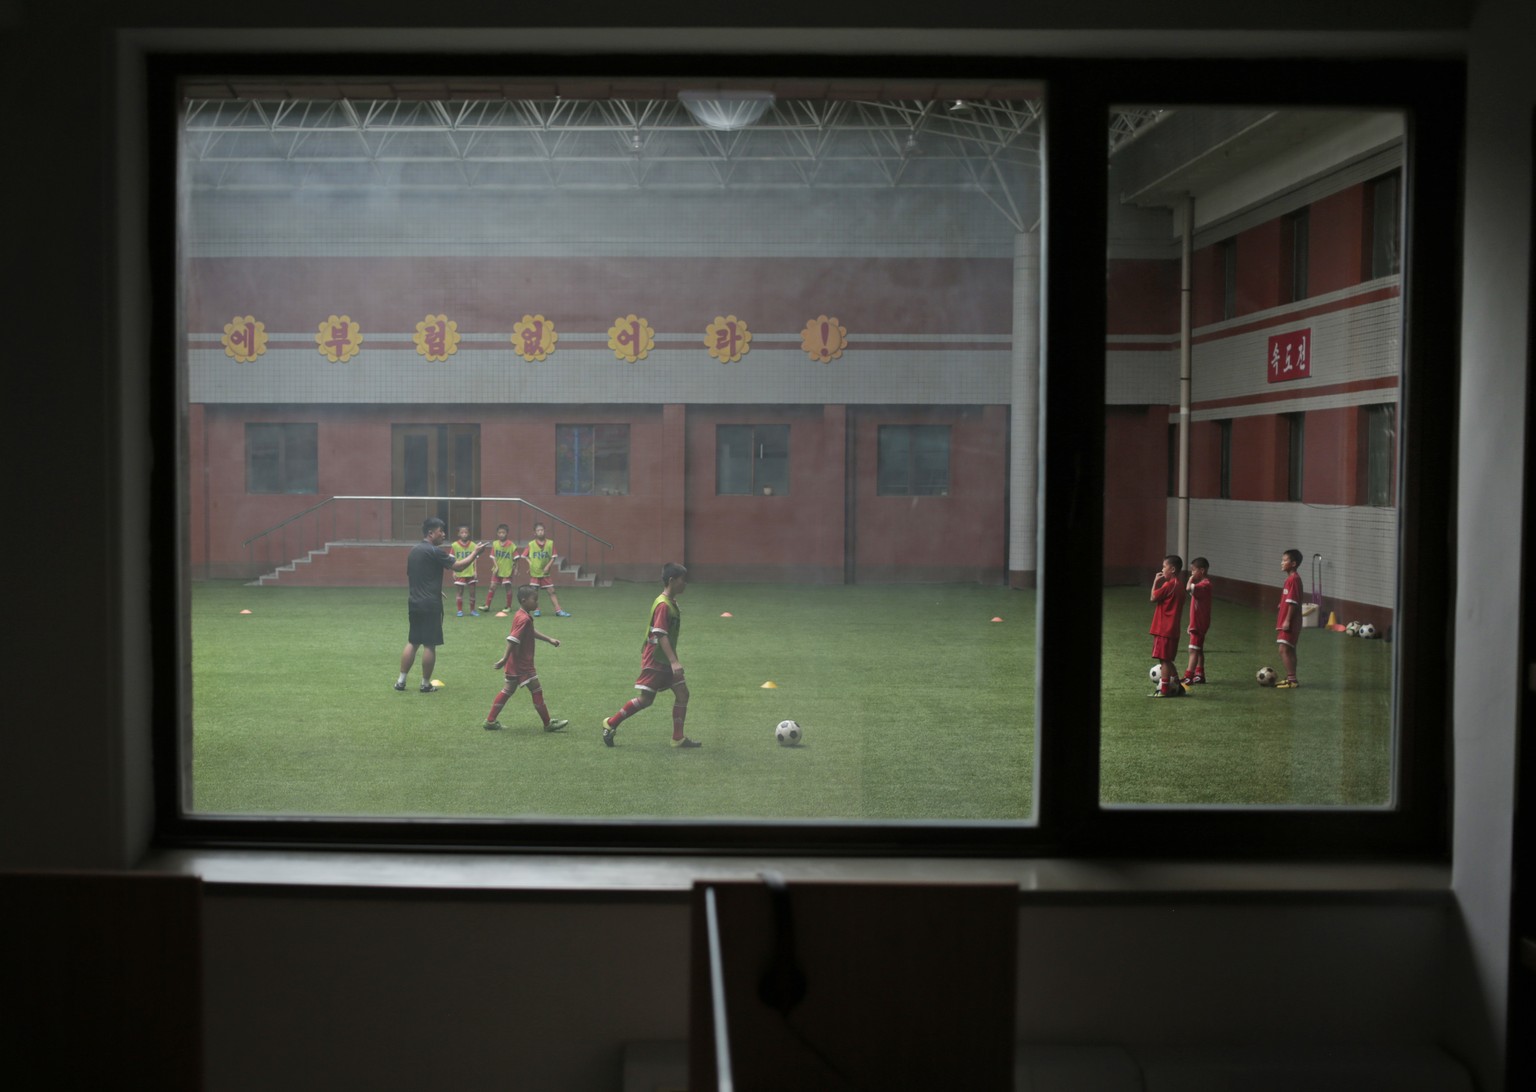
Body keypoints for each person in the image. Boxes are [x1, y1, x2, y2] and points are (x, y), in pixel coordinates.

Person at [601, 562, 699, 748]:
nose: (685, 584)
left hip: (664, 659)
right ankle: (611, 723)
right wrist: (674, 662)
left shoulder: (670, 602)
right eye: (682, 580)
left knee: (682, 693)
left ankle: (678, 738)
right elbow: (660, 633)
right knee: (646, 700)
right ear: (671, 580)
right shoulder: (663, 605)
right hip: (656, 659)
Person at [396, 517, 488, 693]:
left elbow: (416, 576)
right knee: (429, 644)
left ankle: (401, 681)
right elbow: (459, 567)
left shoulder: (414, 551)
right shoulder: (435, 552)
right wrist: (475, 552)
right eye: (441, 531)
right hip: (430, 605)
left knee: (413, 641)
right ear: (431, 533)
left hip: (414, 603)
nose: (444, 534)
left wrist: (434, 589)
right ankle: (425, 684)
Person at [482, 584, 570, 732]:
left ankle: (490, 721)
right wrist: (504, 659)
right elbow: (512, 639)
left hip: (515, 663)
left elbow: (529, 631)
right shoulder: (524, 619)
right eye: (534, 599)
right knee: (536, 690)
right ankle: (548, 724)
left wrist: (549, 639)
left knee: (507, 691)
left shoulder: (521, 615)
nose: (537, 603)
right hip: (522, 665)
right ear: (524, 600)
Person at [1148, 553, 1186, 697]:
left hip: (1164, 629)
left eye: (1165, 566)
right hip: (1173, 629)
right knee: (1167, 659)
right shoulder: (1180, 586)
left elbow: (1153, 597)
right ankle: (1179, 687)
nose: (1162, 570)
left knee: (1164, 660)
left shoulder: (1168, 585)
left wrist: (1155, 582)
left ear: (1173, 569)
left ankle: (1163, 690)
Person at [519, 522, 571, 617]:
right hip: (535, 573)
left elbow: (553, 556)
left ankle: (558, 611)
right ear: (535, 533)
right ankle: (536, 610)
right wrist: (531, 564)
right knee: (533, 593)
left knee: (552, 591)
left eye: (542, 530)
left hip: (545, 573)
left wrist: (548, 566)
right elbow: (524, 556)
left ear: (544, 531)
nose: (540, 532)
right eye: (538, 530)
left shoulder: (550, 543)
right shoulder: (531, 544)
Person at [1275, 548, 1304, 688]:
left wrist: (1287, 620)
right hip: (1290, 620)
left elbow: (1293, 602)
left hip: (1290, 621)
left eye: (1284, 560)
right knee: (1290, 649)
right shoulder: (1291, 579)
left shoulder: (1293, 580)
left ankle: (1292, 680)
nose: (1282, 563)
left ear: (1293, 563)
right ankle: (1291, 677)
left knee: (1283, 649)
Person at [1182, 556, 1213, 685]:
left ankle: (1188, 676)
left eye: (1194, 570)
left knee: (1193, 649)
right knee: (1198, 648)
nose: (1192, 573)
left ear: (1202, 570)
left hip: (1199, 623)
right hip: (1198, 622)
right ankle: (1200, 674)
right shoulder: (1203, 585)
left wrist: (1190, 579)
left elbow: (1188, 588)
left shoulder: (1205, 585)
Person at [480, 524, 521, 613]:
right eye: (499, 532)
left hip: (507, 570)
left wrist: (516, 569)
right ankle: (487, 605)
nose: (501, 534)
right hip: (497, 570)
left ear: (507, 533)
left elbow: (517, 557)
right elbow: (493, 557)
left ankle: (508, 606)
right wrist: (496, 566)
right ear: (497, 533)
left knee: (508, 588)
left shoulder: (511, 545)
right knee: (492, 587)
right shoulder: (495, 544)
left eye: (503, 532)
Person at [450, 525, 481, 617]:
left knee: (472, 592)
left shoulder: (473, 545)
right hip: (460, 572)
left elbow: (475, 559)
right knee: (460, 592)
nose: (464, 534)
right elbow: (452, 559)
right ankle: (460, 610)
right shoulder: (454, 545)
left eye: (466, 532)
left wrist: (475, 571)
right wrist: (454, 571)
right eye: (462, 532)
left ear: (469, 533)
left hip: (470, 572)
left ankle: (472, 610)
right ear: (458, 534)